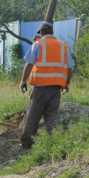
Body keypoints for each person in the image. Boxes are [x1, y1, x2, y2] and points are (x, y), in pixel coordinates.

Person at [19, 21, 73, 149]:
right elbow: (69, 68)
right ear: (53, 32)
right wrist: (67, 83)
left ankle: (26, 144)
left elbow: (29, 64)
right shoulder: (63, 46)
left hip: (40, 88)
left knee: (33, 115)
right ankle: (52, 143)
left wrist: (23, 81)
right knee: (51, 117)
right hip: (55, 89)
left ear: (41, 33)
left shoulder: (38, 44)